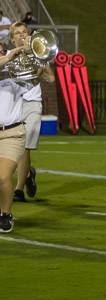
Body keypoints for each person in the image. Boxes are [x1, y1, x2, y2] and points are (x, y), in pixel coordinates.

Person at [10, 22, 54, 203]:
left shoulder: (39, 53)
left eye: (24, 32)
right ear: (12, 39)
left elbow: (50, 78)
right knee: (16, 147)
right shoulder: (8, 56)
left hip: (33, 104)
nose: (22, 36)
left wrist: (40, 63)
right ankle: (28, 173)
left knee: (25, 145)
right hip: (13, 104)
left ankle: (19, 189)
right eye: (18, 34)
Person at [0, 44, 33, 232]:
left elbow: (43, 78)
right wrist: (10, 56)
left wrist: (34, 57)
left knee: (3, 175)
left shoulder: (14, 78)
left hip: (11, 133)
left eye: (2, 51)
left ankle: (5, 214)